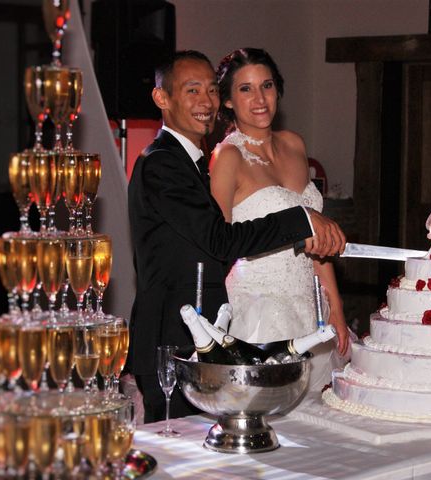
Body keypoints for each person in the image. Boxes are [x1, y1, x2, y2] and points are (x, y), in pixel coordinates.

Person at [127, 50, 346, 422]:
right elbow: (221, 241)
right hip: (177, 338)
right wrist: (300, 219)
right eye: (192, 90)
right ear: (162, 98)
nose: (205, 101)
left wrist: (334, 304)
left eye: (210, 90)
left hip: (211, 332)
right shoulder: (162, 162)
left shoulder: (192, 161)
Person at [210, 48, 350, 391]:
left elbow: (319, 240)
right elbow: (217, 243)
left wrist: (336, 305)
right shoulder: (228, 156)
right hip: (260, 310)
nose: (259, 98)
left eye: (267, 85)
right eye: (245, 89)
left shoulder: (295, 145)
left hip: (309, 305)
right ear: (228, 100)